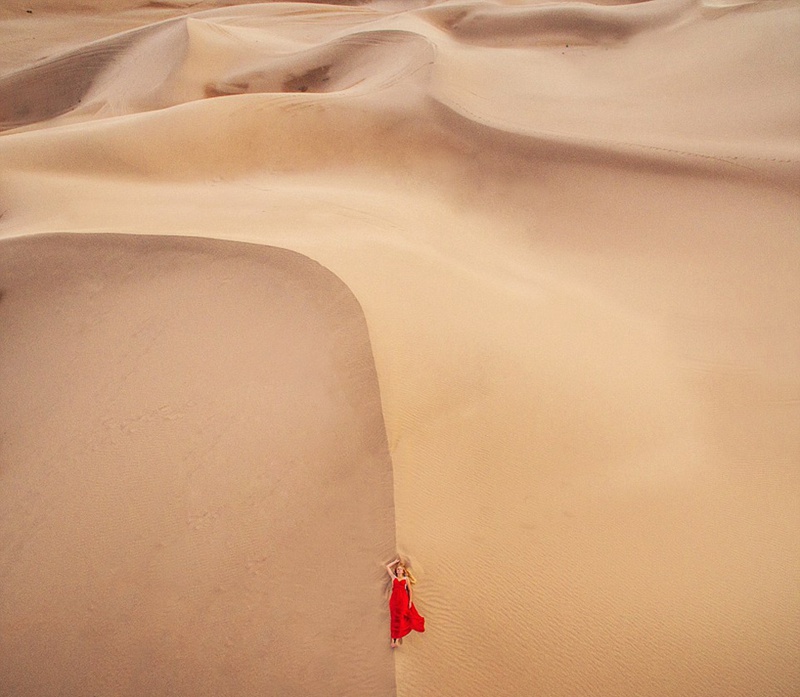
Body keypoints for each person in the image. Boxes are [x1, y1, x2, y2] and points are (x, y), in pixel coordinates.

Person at [386, 557, 425, 647]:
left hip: (403, 600)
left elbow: (410, 591)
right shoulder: (393, 578)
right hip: (394, 601)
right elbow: (387, 567)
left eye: (401, 570)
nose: (399, 571)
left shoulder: (406, 579)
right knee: (394, 619)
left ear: (403, 571)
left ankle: (398, 636)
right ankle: (393, 640)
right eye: (398, 569)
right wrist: (395, 562)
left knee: (401, 618)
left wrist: (410, 601)